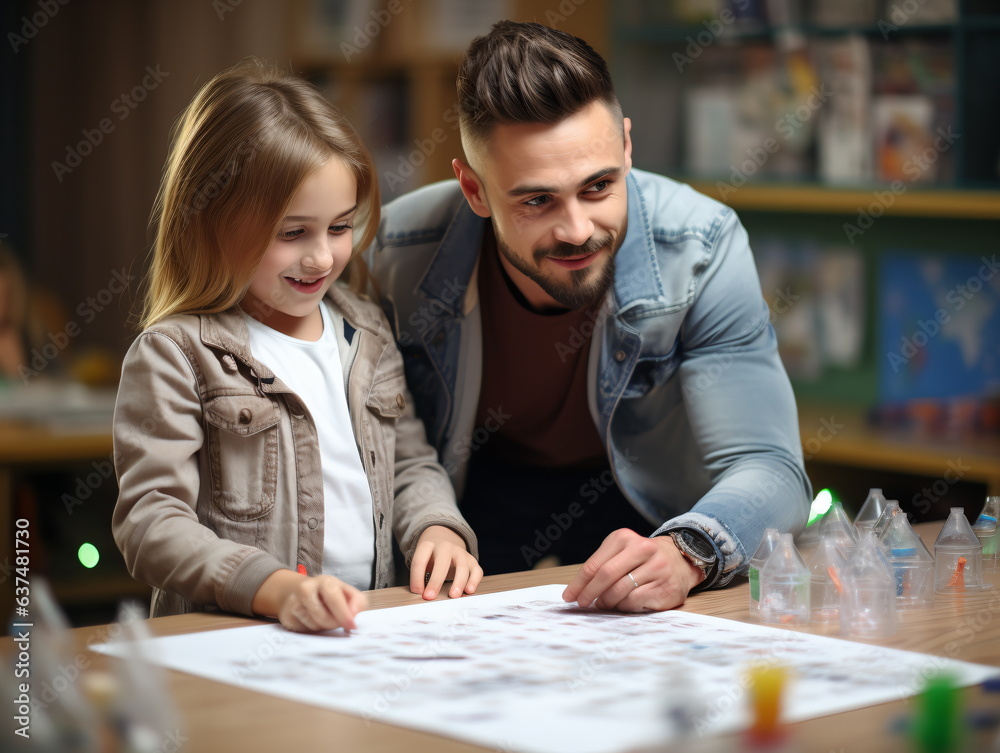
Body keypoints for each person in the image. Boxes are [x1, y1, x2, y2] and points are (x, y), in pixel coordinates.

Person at [369, 21, 812, 613]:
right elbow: (379, 444)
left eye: (599, 186)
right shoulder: (398, 250)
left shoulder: (701, 246)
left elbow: (771, 467)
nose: (577, 230)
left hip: (647, 504)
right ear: (474, 189)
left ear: (627, 148)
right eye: (536, 200)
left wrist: (689, 550)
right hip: (472, 493)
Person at [112, 60, 481, 634]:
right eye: (292, 233)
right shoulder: (175, 354)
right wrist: (276, 589)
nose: (323, 258)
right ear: (212, 221)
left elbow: (410, 461)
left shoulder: (366, 327)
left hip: (366, 631)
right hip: (234, 642)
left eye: (340, 227)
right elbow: (151, 524)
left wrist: (436, 525)